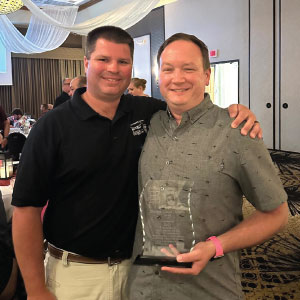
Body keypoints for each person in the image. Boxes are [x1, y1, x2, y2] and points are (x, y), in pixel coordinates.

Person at [12, 26, 261, 300]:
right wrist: (35, 289)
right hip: (78, 275)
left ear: (132, 66)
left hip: (141, 273)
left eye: (123, 61)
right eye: (103, 60)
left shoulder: (147, 112)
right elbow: (25, 211)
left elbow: (191, 107)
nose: (113, 69)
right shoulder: (52, 127)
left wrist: (233, 112)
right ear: (86, 63)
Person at [128, 33, 289, 300]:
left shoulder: (236, 130)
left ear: (206, 76)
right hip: (143, 287)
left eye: (188, 69)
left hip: (208, 289)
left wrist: (215, 246)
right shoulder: (150, 123)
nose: (177, 78)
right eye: (168, 69)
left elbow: (277, 214)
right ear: (159, 77)